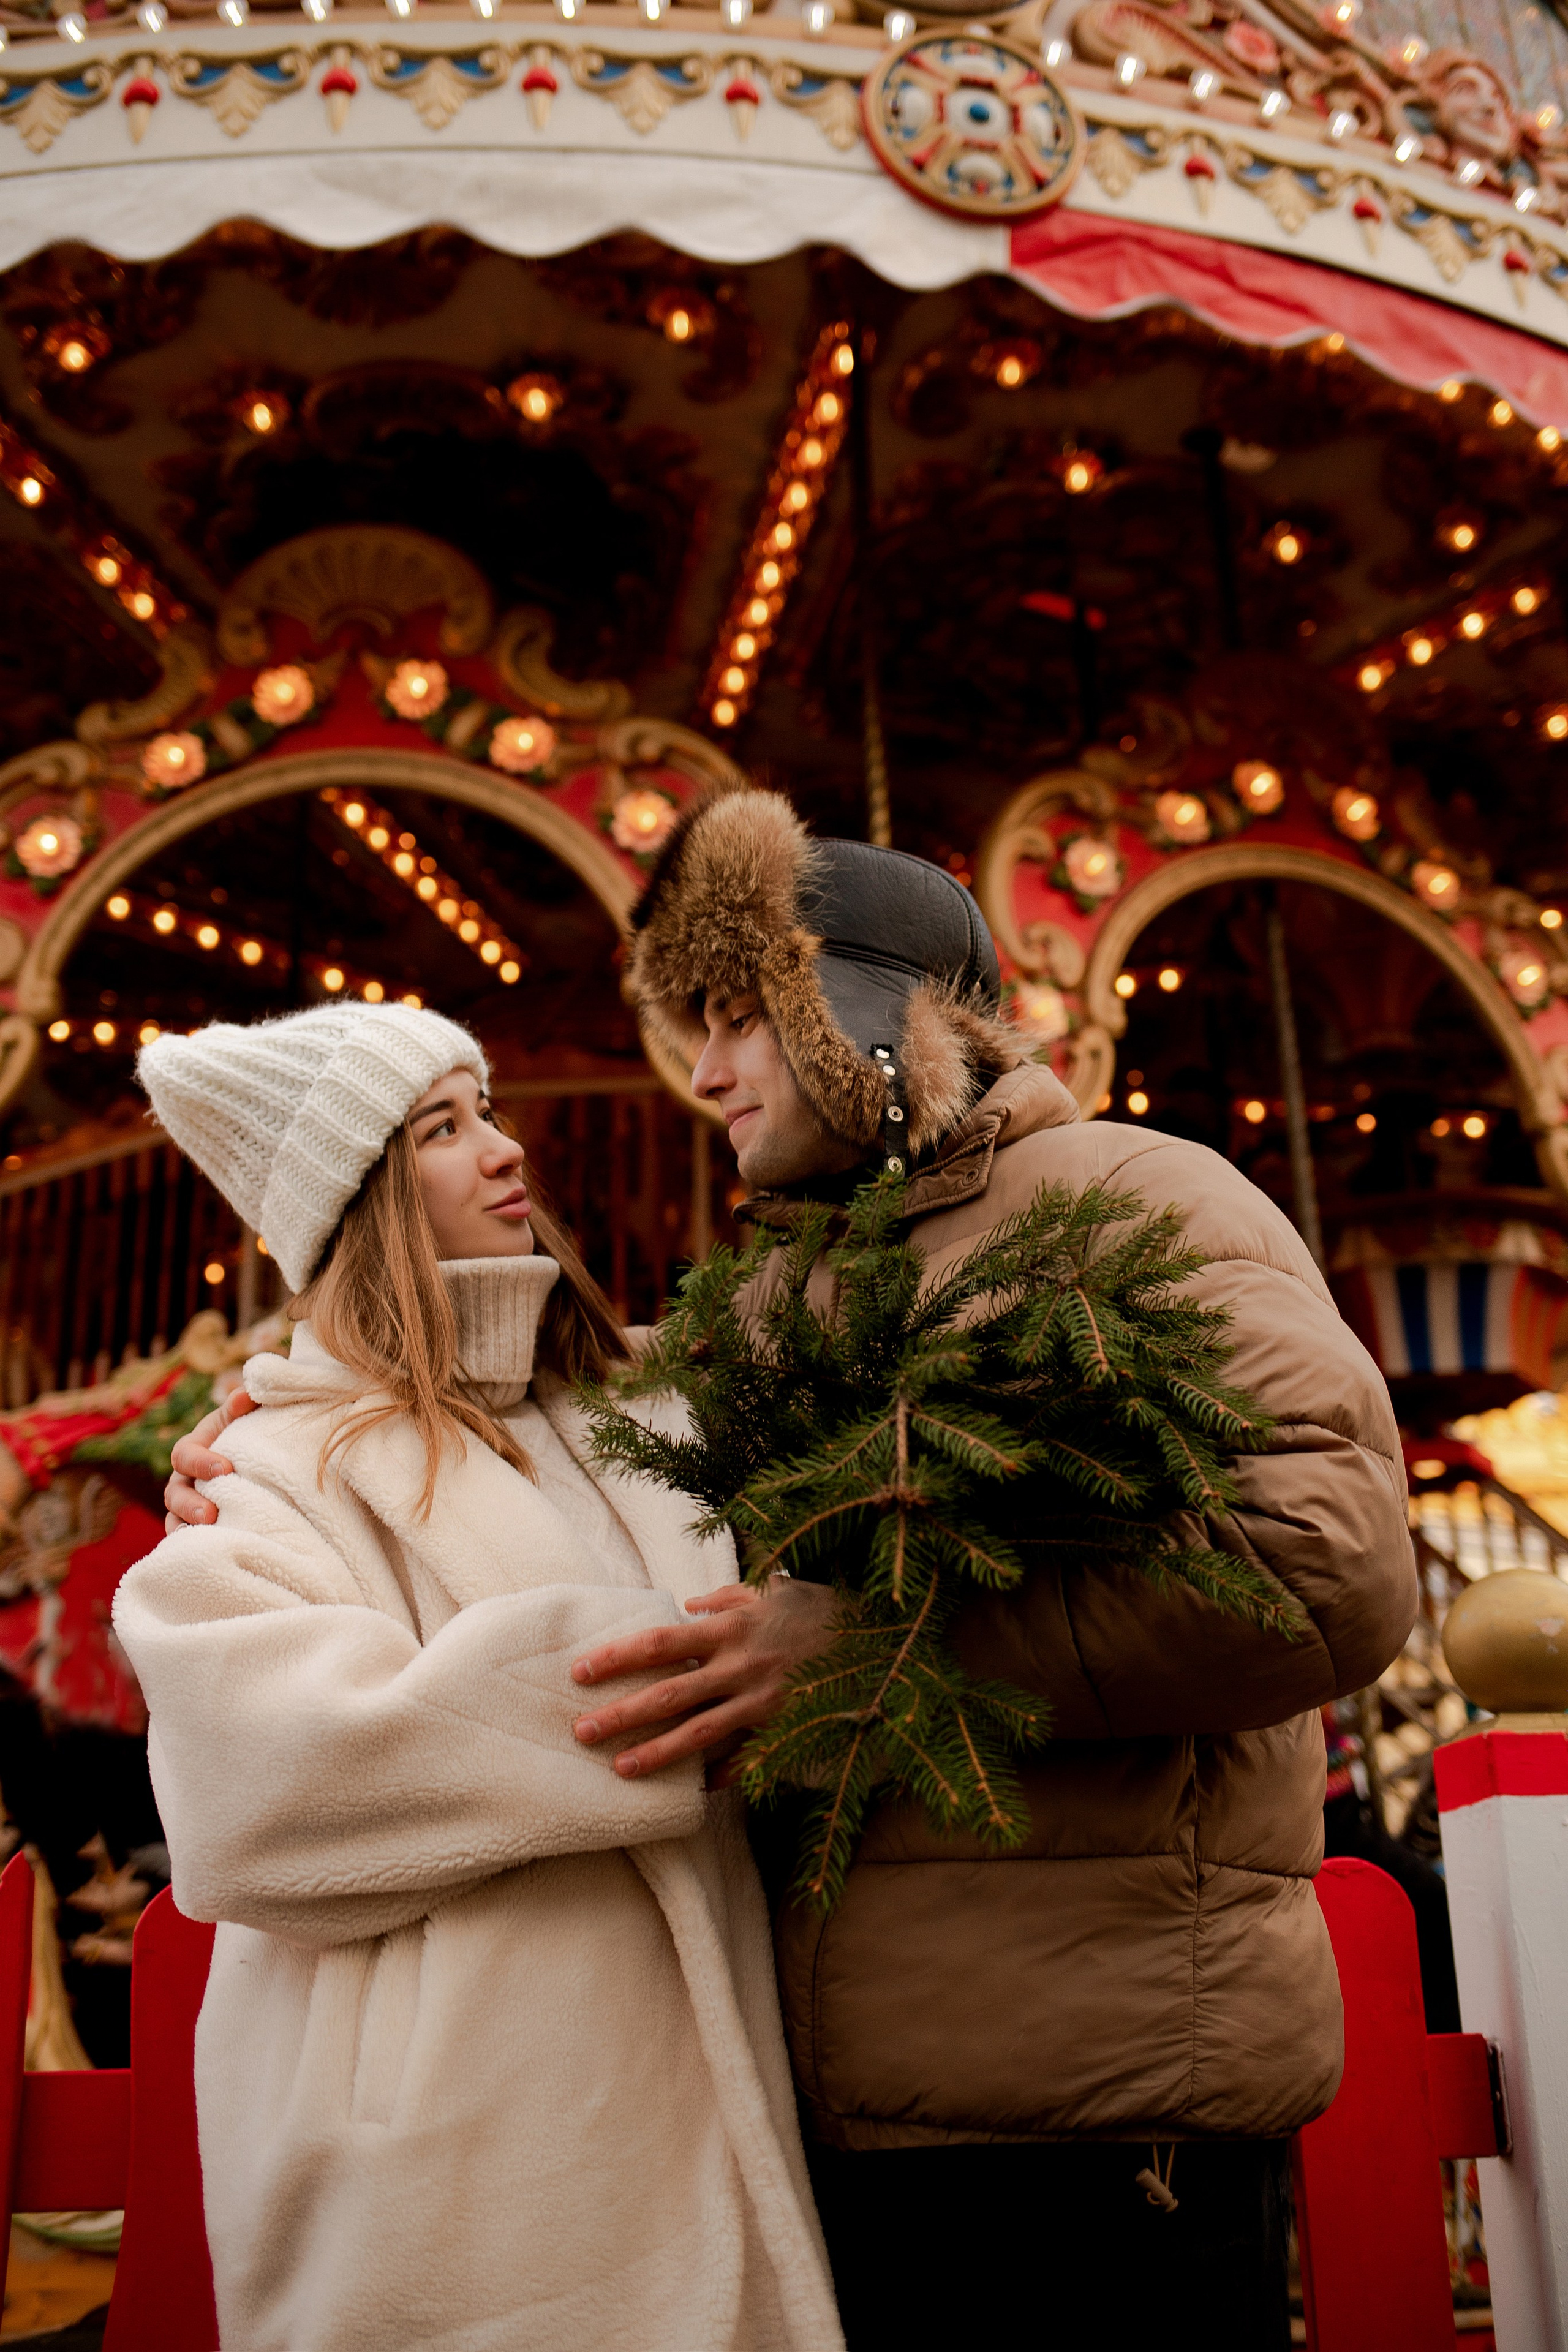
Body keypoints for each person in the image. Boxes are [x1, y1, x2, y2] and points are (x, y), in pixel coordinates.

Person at [168, 791, 1417, 2350]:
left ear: (857, 1018)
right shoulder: (773, 1305)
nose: (697, 1076)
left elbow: (1325, 1565)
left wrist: (880, 1647)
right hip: (841, 2126)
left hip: (1099, 2107)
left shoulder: (1140, 1198)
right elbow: (560, 1437)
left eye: (737, 1019)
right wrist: (287, 1410)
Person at [121, 1000, 843, 2352]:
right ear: (363, 1195)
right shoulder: (274, 1472)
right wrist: (678, 1682)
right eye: (442, 1130)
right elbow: (251, 1789)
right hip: (466, 2148)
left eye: (488, 1113)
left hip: (696, 2095)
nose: (503, 1151)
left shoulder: (641, 1411)